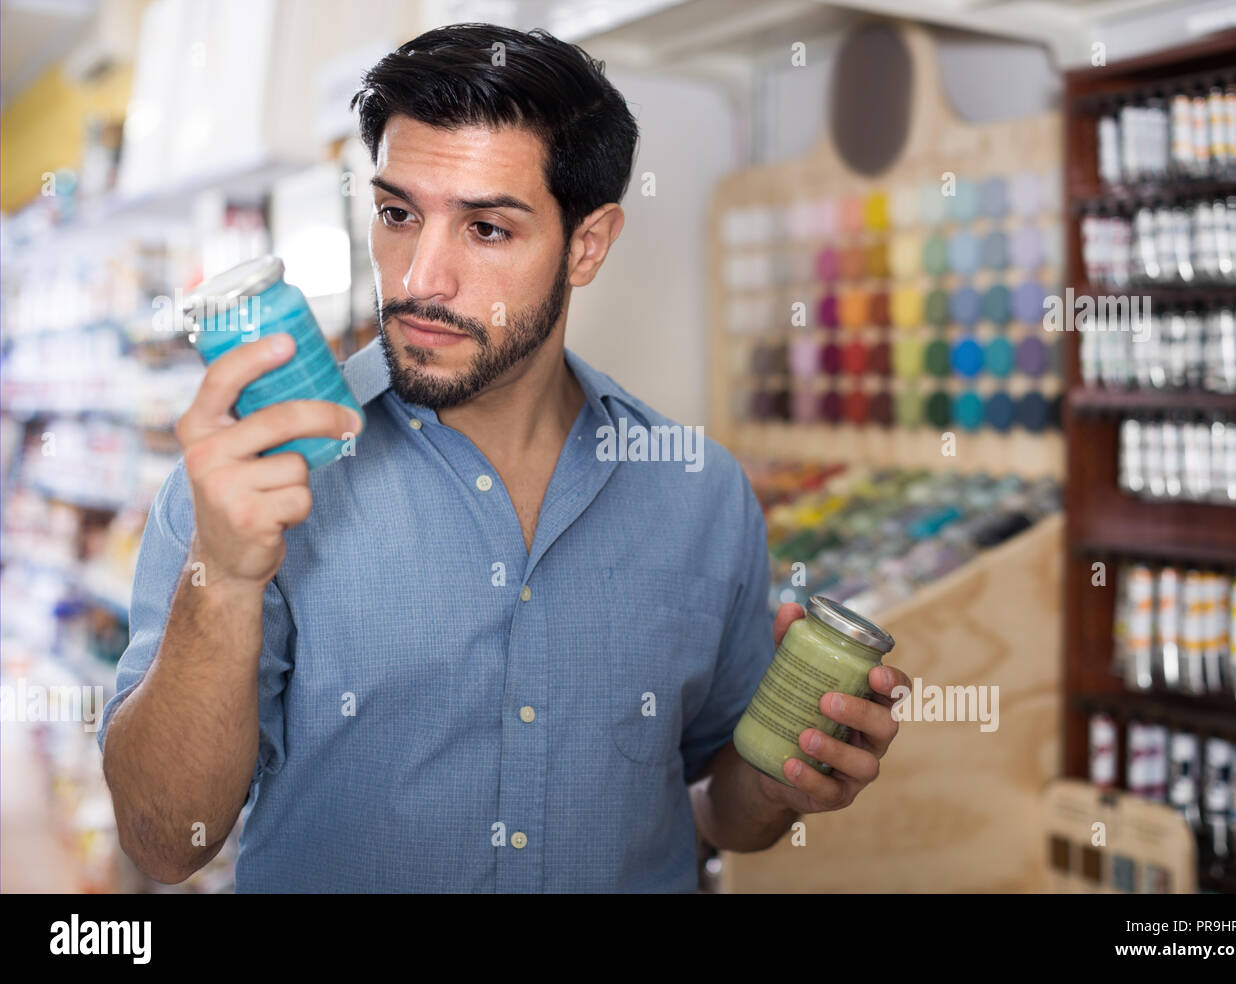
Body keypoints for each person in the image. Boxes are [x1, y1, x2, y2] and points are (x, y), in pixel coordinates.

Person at [98, 23, 910, 892]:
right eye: (397, 214)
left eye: (486, 229)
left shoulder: (698, 492)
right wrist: (221, 579)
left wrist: (793, 774)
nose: (419, 278)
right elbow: (162, 842)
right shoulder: (243, 488)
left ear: (587, 245)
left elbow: (718, 807)